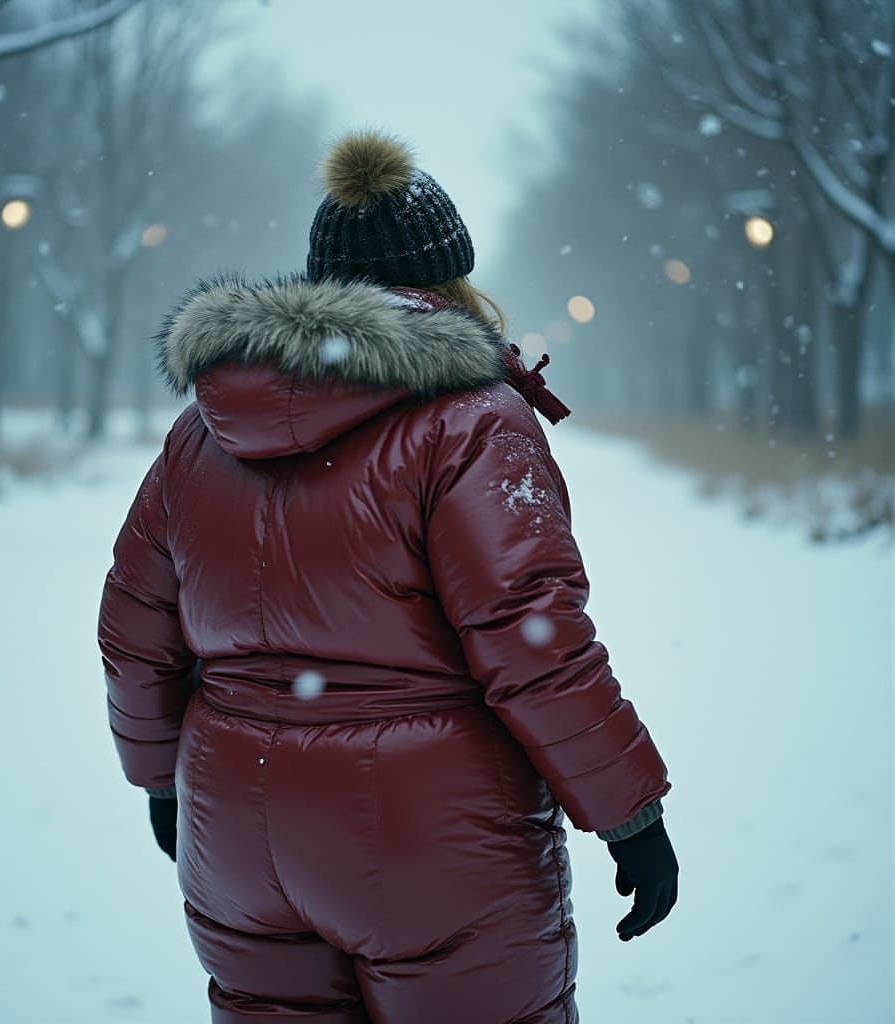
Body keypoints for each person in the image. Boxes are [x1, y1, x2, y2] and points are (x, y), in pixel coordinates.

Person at [98, 130, 678, 1024]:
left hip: (237, 826)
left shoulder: (201, 431)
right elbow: (533, 639)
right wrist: (628, 812)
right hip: (428, 836)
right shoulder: (471, 421)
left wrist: (161, 778)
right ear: (447, 281)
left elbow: (135, 626)